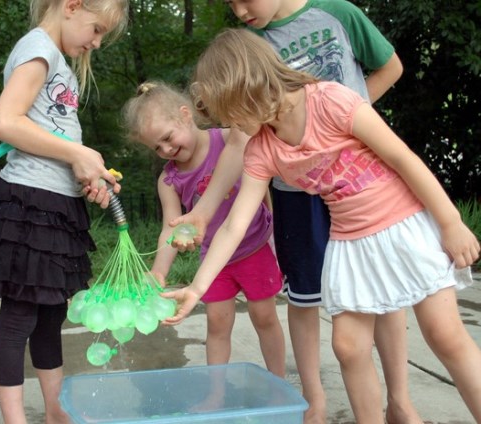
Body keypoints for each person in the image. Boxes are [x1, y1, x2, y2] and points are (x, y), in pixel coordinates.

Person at [163, 28, 481, 423]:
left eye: (234, 114)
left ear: (250, 85)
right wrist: (197, 287)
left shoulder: (330, 100)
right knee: (348, 347)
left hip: (402, 223)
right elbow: (234, 224)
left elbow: (403, 158)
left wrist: (450, 222)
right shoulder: (264, 147)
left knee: (445, 336)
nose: (234, 127)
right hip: (349, 240)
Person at [0, 0, 128, 422]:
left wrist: (87, 173)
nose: (96, 43)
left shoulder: (55, 56)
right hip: (29, 202)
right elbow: (5, 122)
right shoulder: (39, 48)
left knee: (50, 315)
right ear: (72, 6)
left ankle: (56, 413)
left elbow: (53, 134)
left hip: (56, 203)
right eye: (96, 29)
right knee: (19, 316)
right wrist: (77, 153)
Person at [121, 81, 286, 384]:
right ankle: (216, 391)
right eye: (157, 147)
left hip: (255, 248)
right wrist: (159, 271)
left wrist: (273, 223)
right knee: (216, 324)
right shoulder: (169, 180)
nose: (166, 150)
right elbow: (170, 229)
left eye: (167, 138)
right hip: (214, 260)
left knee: (264, 317)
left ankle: (279, 381)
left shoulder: (229, 141)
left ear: (185, 115)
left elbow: (261, 184)